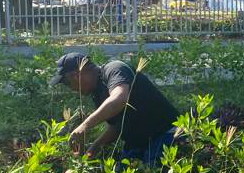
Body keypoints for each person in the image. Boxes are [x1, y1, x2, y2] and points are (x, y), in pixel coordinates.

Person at [49, 53, 180, 166]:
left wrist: (84, 126)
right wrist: (92, 151)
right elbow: (117, 127)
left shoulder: (114, 69)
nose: (70, 88)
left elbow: (119, 99)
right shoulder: (97, 92)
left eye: (67, 83)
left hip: (166, 135)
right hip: (138, 143)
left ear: (77, 75)